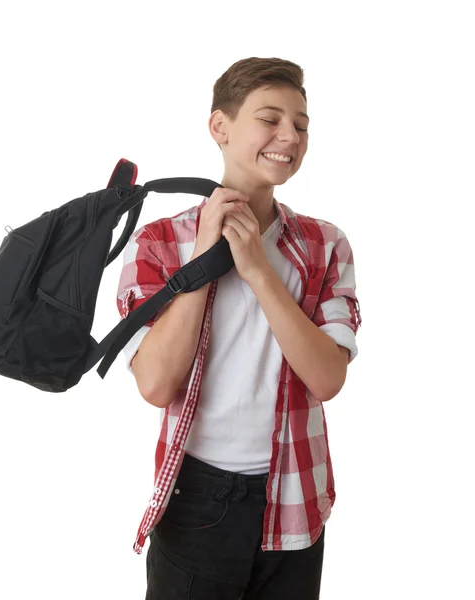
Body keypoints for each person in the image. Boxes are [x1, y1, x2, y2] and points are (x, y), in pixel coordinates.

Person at [116, 56, 362, 600]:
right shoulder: (160, 243)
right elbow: (156, 385)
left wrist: (256, 268)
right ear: (220, 127)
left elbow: (327, 379)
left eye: (300, 124)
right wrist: (205, 256)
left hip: (296, 494)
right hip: (196, 498)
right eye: (269, 119)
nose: (289, 136)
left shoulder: (325, 245)